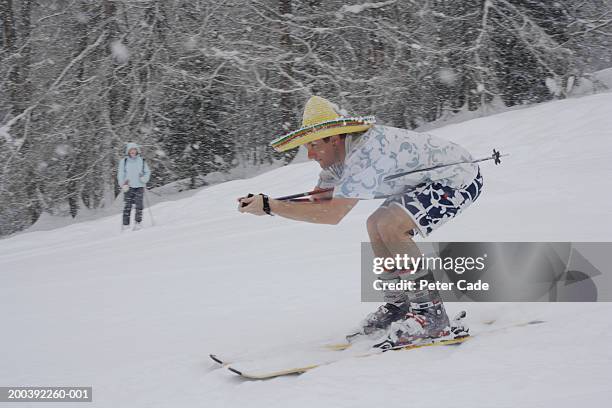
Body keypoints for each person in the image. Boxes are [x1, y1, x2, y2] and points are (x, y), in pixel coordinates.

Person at [238, 96, 483, 348]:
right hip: (428, 182)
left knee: (390, 225)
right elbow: (319, 204)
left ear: (334, 139)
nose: (310, 154)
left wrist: (271, 207)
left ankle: (431, 315)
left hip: (458, 179)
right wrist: (267, 203)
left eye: (313, 145)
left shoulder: (365, 153)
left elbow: (332, 215)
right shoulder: (336, 161)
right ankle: (400, 305)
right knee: (375, 224)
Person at [117, 142, 151, 231]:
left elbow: (147, 172)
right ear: (128, 152)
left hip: (139, 186)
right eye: (131, 151)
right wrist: (122, 183)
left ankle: (138, 223)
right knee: (127, 206)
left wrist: (143, 179)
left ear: (137, 151)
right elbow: (121, 174)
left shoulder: (142, 160)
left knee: (139, 205)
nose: (133, 152)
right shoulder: (124, 161)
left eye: (134, 150)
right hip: (128, 187)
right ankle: (126, 225)